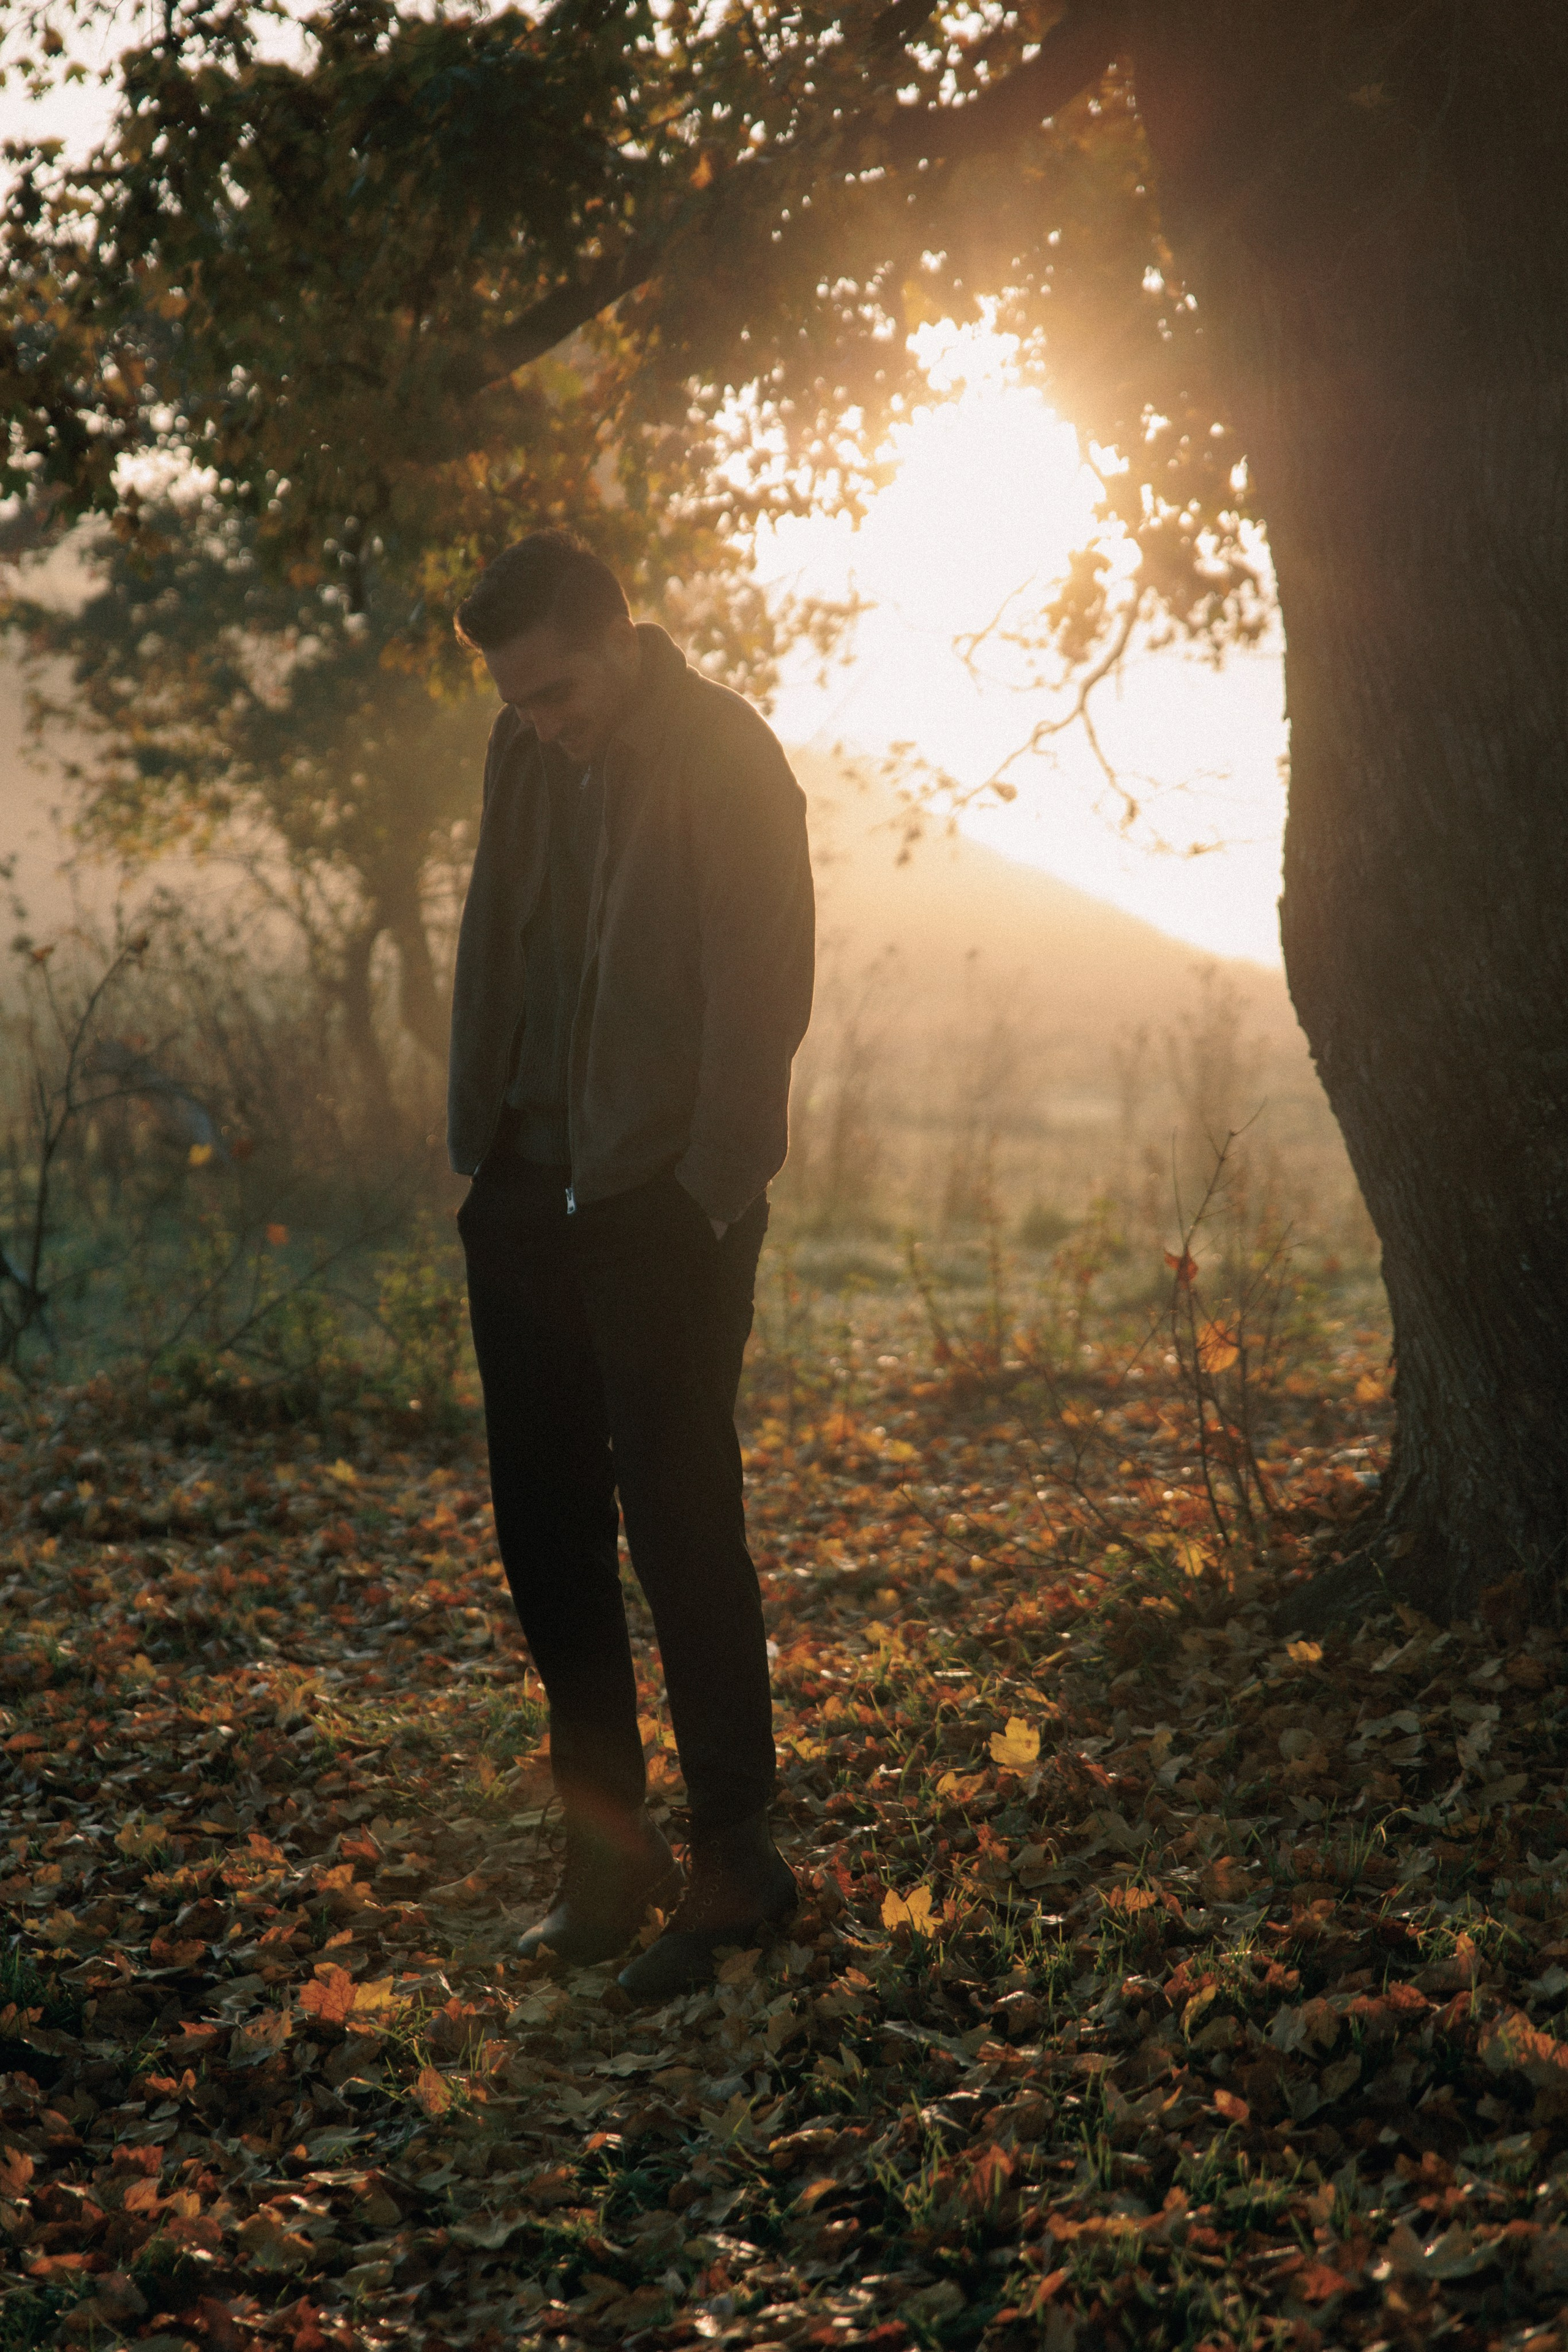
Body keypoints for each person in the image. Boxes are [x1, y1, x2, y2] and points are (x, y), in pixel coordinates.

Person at [447, 530, 815, 2001]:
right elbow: (498, 938)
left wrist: (712, 1188)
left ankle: (738, 1862)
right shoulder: (520, 750)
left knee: (677, 1516)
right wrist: (485, 1148)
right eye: (517, 700)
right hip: (527, 1184)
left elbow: (765, 980)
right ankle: (608, 1854)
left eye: (555, 691)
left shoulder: (729, 754)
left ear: (617, 637)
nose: (539, 720)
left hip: (664, 1197)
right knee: (544, 1525)